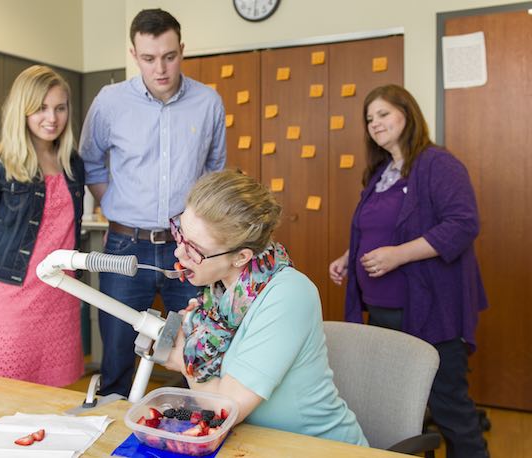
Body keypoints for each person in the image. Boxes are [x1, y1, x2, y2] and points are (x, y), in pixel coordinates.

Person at [329, 84, 489, 457]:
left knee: (449, 407)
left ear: (408, 113)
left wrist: (398, 256)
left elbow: (463, 224)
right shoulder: (381, 173)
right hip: (383, 311)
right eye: (369, 118)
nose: (375, 123)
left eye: (384, 114)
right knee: (396, 410)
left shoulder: (437, 164)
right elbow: (381, 230)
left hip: (430, 312)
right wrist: (349, 256)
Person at [79, 8, 226, 396]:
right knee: (116, 352)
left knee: (198, 348)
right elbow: (90, 161)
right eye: (148, 58)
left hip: (189, 248)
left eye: (169, 56)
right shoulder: (110, 102)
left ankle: (187, 432)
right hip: (124, 244)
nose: (160, 68)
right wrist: (111, 201)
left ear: (182, 49)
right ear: (133, 54)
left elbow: (214, 171)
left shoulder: (208, 102)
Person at [163, 169, 368, 446]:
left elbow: (226, 409)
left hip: (319, 449)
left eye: (194, 250)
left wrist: (187, 361)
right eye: (179, 233)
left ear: (241, 257)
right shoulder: (219, 292)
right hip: (255, 443)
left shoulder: (288, 296)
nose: (178, 253)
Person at [0, 65, 85, 387]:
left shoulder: (73, 164)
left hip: (60, 295)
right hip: (9, 299)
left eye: (59, 107)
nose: (51, 118)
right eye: (40, 108)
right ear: (22, 111)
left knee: (55, 393)